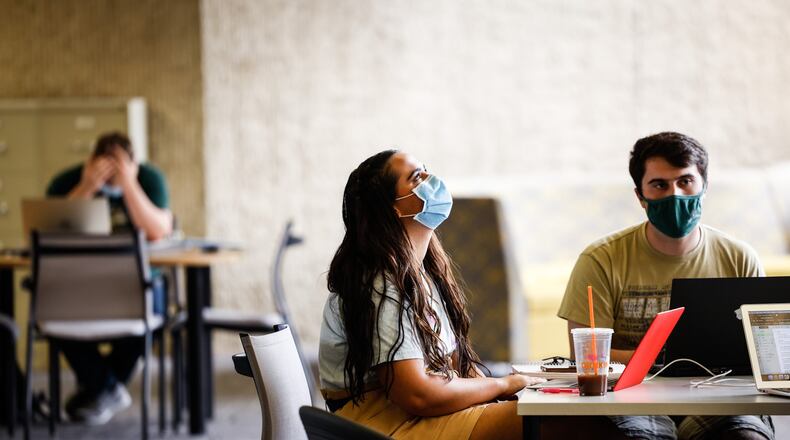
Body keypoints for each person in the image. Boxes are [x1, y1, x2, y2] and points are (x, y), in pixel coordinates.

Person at [319, 150, 625, 440]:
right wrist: (502, 384)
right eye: (416, 178)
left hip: (414, 414)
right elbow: (416, 394)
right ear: (393, 208)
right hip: (387, 424)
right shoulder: (382, 284)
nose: (431, 180)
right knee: (579, 429)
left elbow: (451, 363)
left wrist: (524, 385)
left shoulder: (421, 272)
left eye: (426, 170)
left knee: (571, 415)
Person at [557, 132, 774, 440]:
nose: (675, 194)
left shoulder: (739, 258)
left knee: (745, 436)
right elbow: (587, 356)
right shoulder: (600, 259)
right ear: (640, 195)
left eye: (686, 181)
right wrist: (667, 361)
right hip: (632, 398)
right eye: (660, 185)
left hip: (719, 398)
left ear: (704, 186)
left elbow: (765, 352)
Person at [46, 131, 172, 425]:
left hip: (136, 289)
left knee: (155, 308)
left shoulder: (149, 179)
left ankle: (99, 389)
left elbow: (158, 231)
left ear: (135, 164)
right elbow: (48, 232)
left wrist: (128, 185)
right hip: (81, 287)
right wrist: (88, 187)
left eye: (121, 168)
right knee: (50, 307)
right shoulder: (69, 180)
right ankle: (107, 387)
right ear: (91, 161)